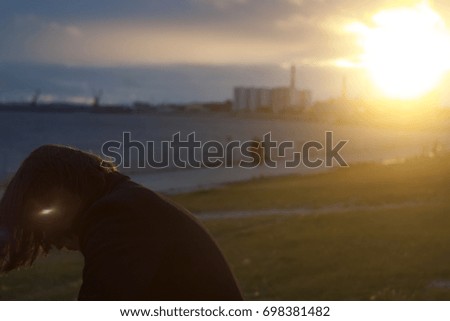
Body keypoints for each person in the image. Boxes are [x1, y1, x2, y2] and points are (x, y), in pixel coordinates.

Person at [0, 145, 242, 300]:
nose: (54, 242)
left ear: (62, 193)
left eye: (45, 225)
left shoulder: (119, 216)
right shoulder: (129, 201)